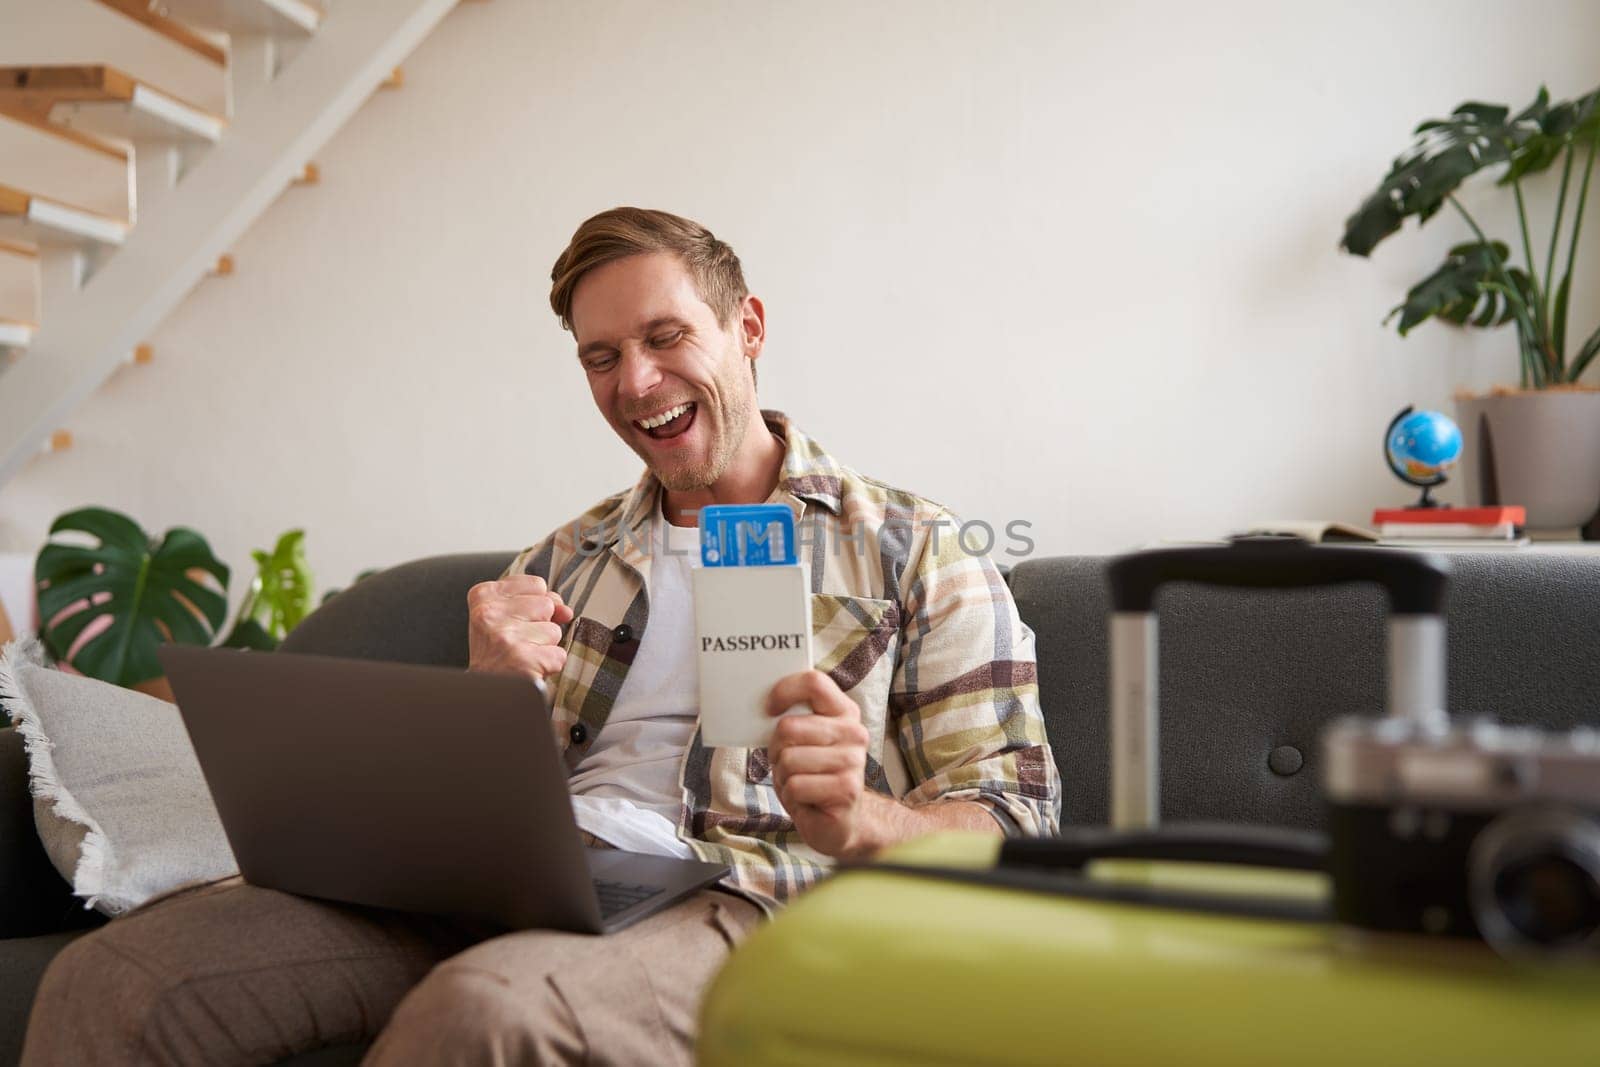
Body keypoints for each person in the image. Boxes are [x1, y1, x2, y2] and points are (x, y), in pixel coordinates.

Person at [23, 208, 1060, 1066]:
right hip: (516, 880)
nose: (636, 382)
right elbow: (473, 801)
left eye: (664, 337)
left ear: (746, 325)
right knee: (120, 978)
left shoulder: (916, 549)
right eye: (601, 357)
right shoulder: (560, 558)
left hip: (742, 891)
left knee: (485, 1013)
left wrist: (860, 818)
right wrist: (486, 704)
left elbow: (1015, 824)